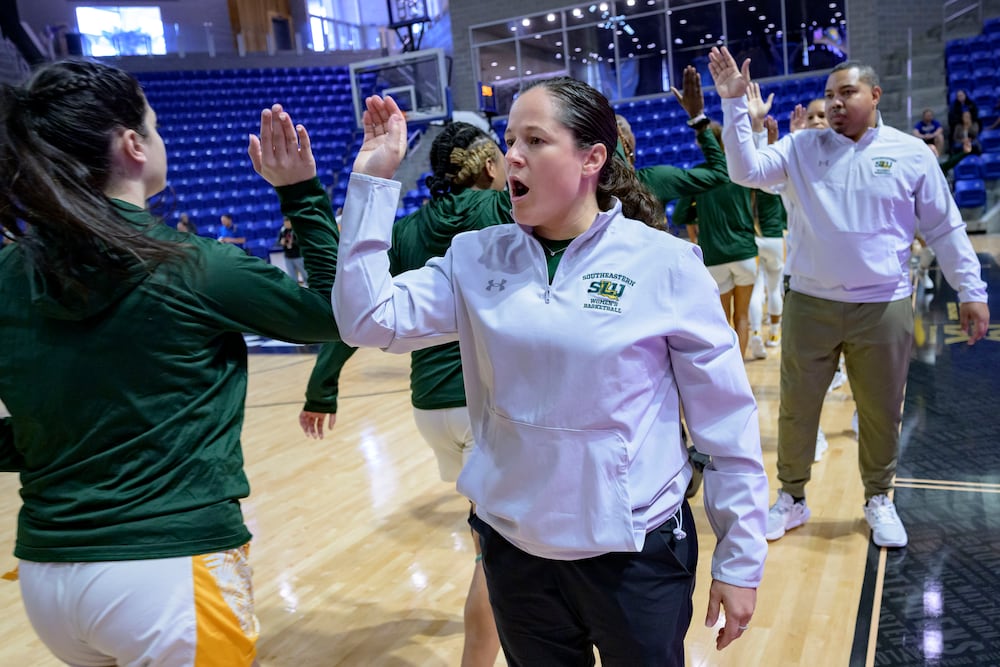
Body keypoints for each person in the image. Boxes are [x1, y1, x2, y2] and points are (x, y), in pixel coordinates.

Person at [335, 79, 767, 665]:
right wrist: (372, 182)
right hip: (516, 552)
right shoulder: (474, 257)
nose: (512, 154)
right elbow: (366, 319)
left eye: (535, 140)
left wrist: (739, 558)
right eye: (509, 138)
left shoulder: (664, 264)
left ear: (592, 158)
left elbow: (725, 421)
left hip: (635, 553)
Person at [0, 59, 342, 666]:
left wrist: (47, 434)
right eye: (154, 128)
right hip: (167, 571)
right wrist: (300, 192)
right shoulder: (192, 264)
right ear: (133, 145)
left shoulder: (7, 274)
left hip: (47, 577)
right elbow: (339, 313)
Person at [707, 47, 990, 548]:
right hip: (810, 304)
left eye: (847, 93)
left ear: (875, 95)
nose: (835, 103)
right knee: (797, 408)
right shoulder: (801, 147)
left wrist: (971, 290)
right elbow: (745, 170)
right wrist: (732, 104)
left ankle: (879, 497)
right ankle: (791, 497)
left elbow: (945, 229)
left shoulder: (911, 153)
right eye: (829, 95)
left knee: (882, 409)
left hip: (883, 306)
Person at [301, 120, 511, 667]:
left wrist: (323, 385)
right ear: (490, 166)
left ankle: (496, 628)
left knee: (487, 543)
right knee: (498, 558)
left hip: (428, 406)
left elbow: (360, 309)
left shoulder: (409, 227)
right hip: (480, 403)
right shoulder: (502, 212)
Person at [673, 122, 759, 360]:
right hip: (745, 252)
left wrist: (698, 213)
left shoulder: (700, 174)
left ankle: (726, 374)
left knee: (723, 321)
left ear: (702, 143)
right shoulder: (739, 170)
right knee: (742, 317)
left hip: (715, 256)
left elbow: (679, 216)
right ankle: (741, 372)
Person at [278, 215, 307, 285]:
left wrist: (293, 242)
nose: (286, 223)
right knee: (292, 277)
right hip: (288, 257)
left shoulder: (297, 229)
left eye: (287, 221)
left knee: (305, 275)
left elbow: (302, 241)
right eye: (285, 222)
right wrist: (281, 242)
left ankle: (310, 287)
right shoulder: (283, 230)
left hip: (298, 256)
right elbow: (278, 241)